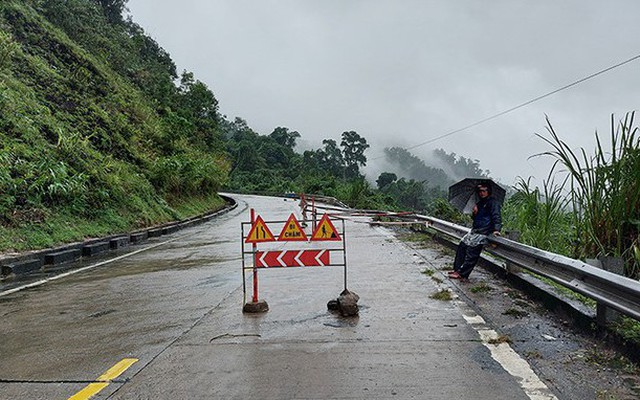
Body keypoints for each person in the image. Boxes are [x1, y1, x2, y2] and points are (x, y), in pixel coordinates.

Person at [448, 182, 502, 280]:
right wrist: (474, 212)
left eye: (484, 191)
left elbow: (496, 216)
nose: (481, 193)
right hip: (475, 230)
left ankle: (463, 273)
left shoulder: (493, 202)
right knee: (462, 246)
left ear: (488, 191)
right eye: (480, 191)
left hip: (484, 232)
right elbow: (476, 218)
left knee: (472, 254)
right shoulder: (479, 203)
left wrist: (496, 230)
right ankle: (457, 269)